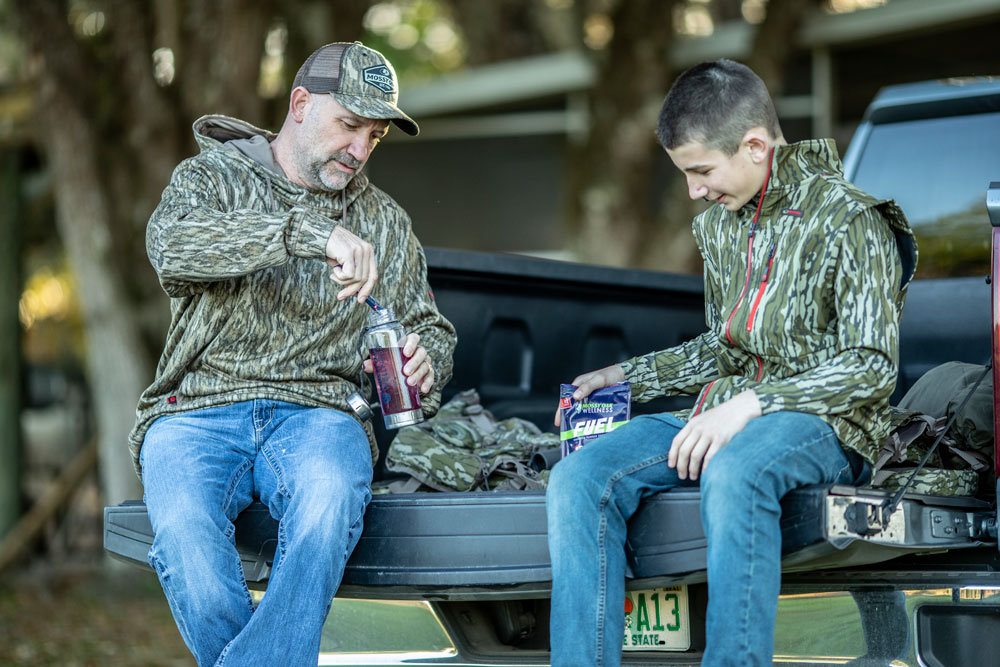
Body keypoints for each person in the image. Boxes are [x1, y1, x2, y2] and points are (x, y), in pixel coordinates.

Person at [546, 59, 917, 666]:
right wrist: (628, 376)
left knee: (736, 470)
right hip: (725, 413)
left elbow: (872, 367)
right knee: (579, 478)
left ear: (753, 146)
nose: (694, 190)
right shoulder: (722, 227)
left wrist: (753, 404)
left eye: (700, 171)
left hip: (830, 425)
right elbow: (724, 345)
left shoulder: (852, 218)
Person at [129, 42, 456, 667]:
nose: (360, 150)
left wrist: (426, 361)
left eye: (375, 136)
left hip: (319, 413)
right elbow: (172, 248)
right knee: (184, 537)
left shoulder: (386, 221)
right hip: (195, 409)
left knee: (330, 499)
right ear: (300, 105)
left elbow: (430, 329)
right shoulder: (210, 178)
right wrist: (310, 232)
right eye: (350, 126)